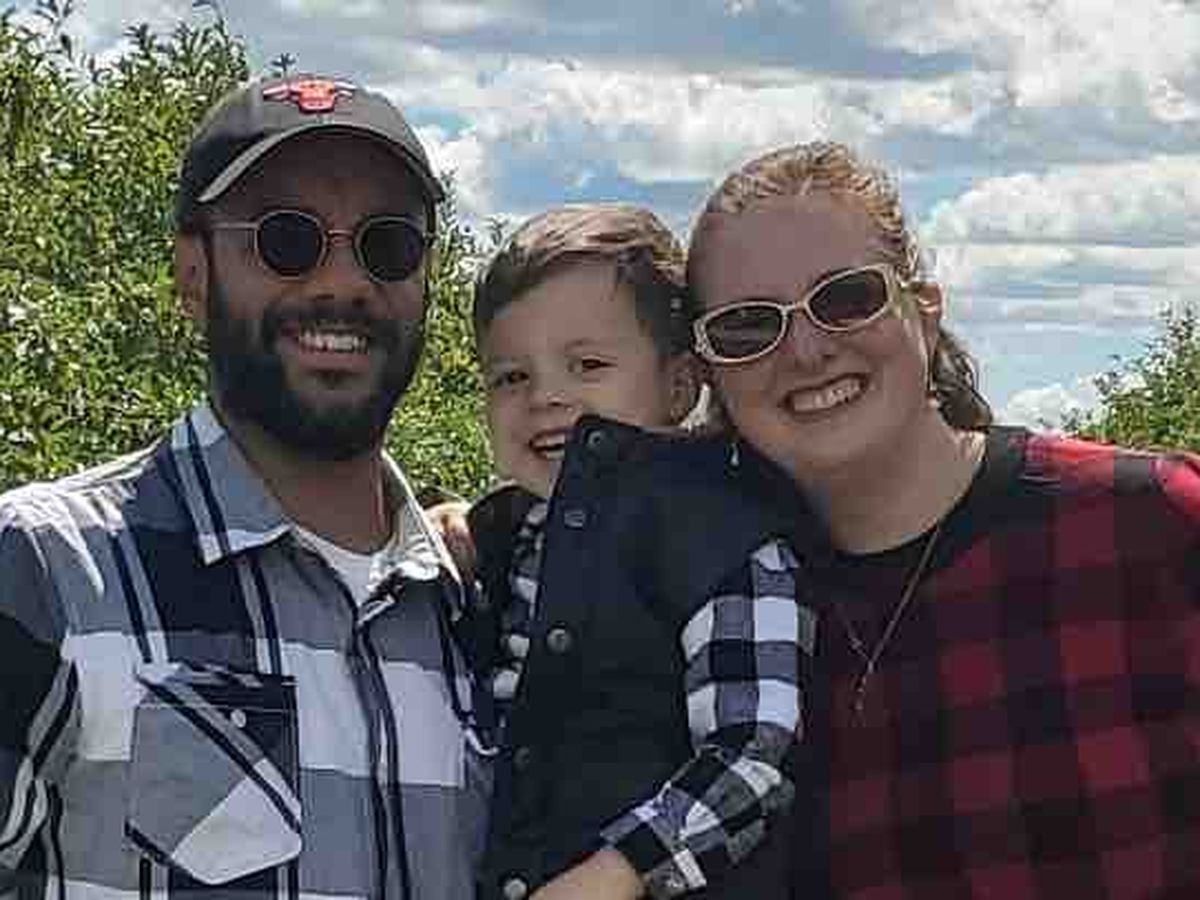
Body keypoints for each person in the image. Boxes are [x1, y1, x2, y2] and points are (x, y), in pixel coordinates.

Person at [0, 75, 490, 900]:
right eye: (286, 240)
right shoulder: (49, 568)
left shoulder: (482, 611)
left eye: (389, 245)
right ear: (193, 274)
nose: (343, 283)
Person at [686, 140, 1200, 898]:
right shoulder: (718, 607)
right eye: (747, 327)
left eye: (847, 297)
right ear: (707, 373)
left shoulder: (1148, 525)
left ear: (923, 312)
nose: (806, 350)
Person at [463, 204, 813, 899]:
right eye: (510, 377)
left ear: (679, 386)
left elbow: (754, 756)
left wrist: (617, 875)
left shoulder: (716, 537)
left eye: (588, 365)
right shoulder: (501, 540)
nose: (546, 396)